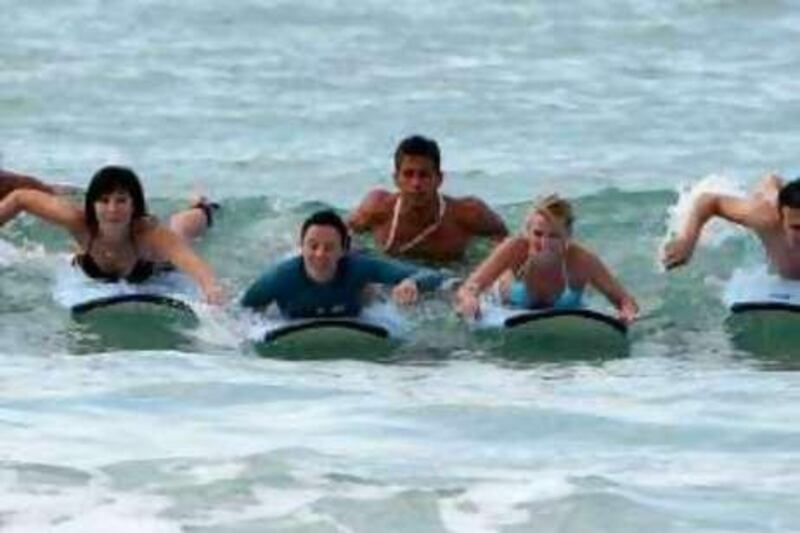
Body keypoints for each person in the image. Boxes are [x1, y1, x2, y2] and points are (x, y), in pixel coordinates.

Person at [0, 165, 224, 303]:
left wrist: (211, 290)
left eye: (121, 200)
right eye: (104, 200)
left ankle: (201, 207)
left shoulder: (149, 233)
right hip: (92, 263)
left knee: (180, 229)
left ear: (134, 204)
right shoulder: (78, 220)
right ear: (92, 204)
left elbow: (192, 262)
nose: (112, 210)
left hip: (154, 268)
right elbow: (21, 198)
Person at [454, 194, 639, 323]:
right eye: (538, 233)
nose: (544, 242)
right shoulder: (515, 249)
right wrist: (470, 299)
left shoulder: (582, 259)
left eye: (554, 236)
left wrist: (627, 313)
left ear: (568, 235)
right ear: (527, 232)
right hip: (504, 304)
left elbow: (625, 300)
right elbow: (469, 287)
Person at [241, 209, 445, 319]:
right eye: (312, 246)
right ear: (301, 246)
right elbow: (242, 310)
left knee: (373, 293)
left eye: (329, 247)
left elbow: (434, 275)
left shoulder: (359, 267)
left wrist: (413, 283)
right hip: (294, 310)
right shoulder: (280, 277)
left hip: (356, 301)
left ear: (343, 250)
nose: (320, 254)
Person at [348, 135, 508, 263]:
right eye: (408, 174)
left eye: (424, 175)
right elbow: (343, 235)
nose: (416, 183)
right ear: (396, 179)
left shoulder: (468, 213)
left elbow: (503, 236)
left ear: (439, 179)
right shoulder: (377, 207)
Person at [662, 173, 800, 279]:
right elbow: (709, 201)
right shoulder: (765, 217)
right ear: (781, 220)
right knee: (767, 193)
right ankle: (772, 182)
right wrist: (686, 240)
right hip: (768, 202)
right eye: (796, 228)